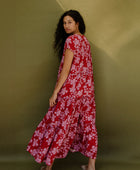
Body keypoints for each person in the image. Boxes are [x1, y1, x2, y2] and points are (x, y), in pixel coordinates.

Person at [26, 9, 98, 170]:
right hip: (87, 92)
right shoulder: (85, 42)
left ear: (77, 23)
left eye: (69, 22)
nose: (66, 25)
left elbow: (66, 71)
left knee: (58, 125)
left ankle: (48, 167)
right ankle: (91, 166)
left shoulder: (71, 41)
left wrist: (55, 92)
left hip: (71, 91)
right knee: (88, 126)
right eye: (64, 23)